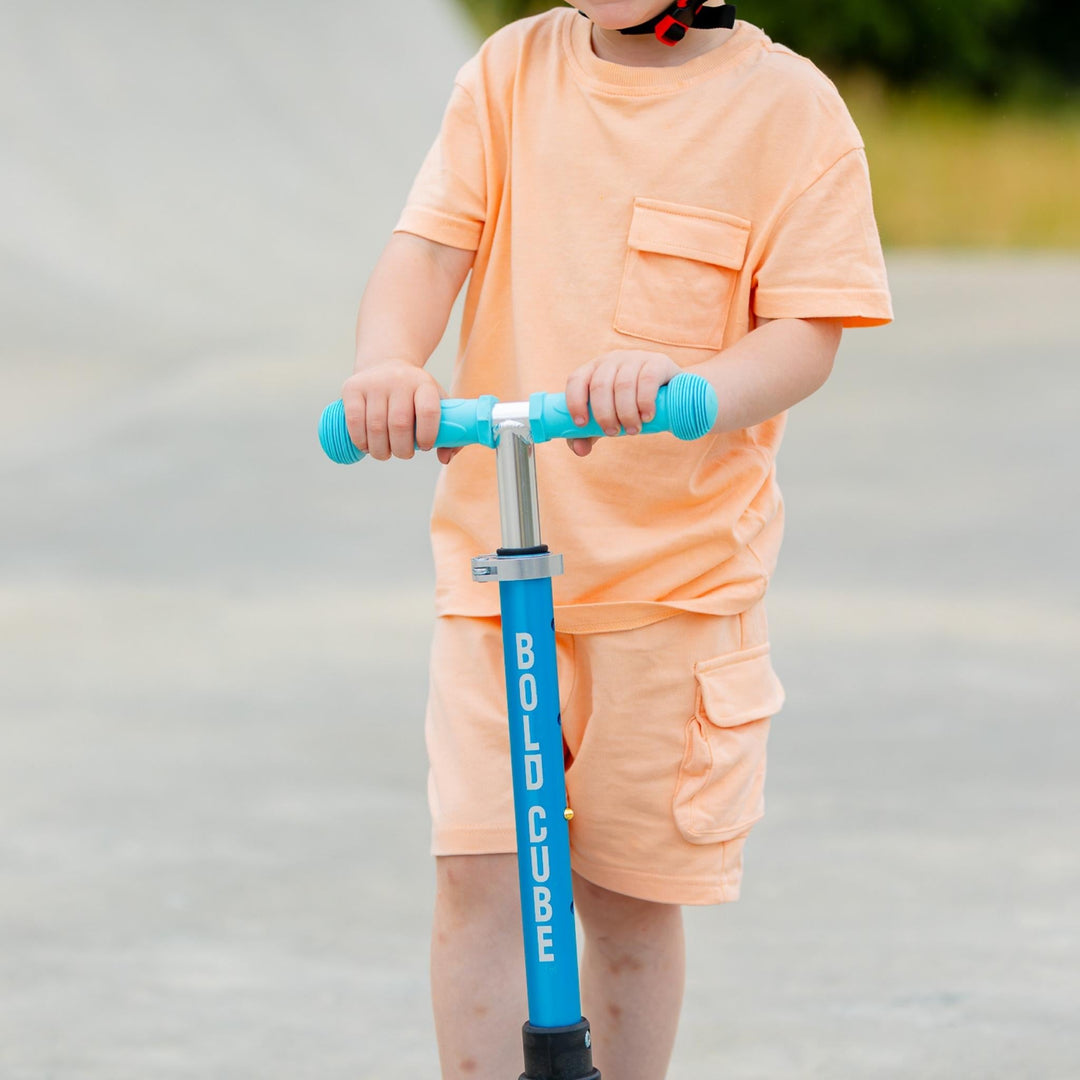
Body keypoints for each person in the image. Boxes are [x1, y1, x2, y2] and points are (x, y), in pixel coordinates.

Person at [341, 1, 892, 1075]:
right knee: (478, 876)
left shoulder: (789, 111)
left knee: (628, 902)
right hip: (493, 575)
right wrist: (389, 363)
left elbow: (807, 332)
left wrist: (690, 392)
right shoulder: (511, 73)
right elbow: (427, 247)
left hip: (673, 590)